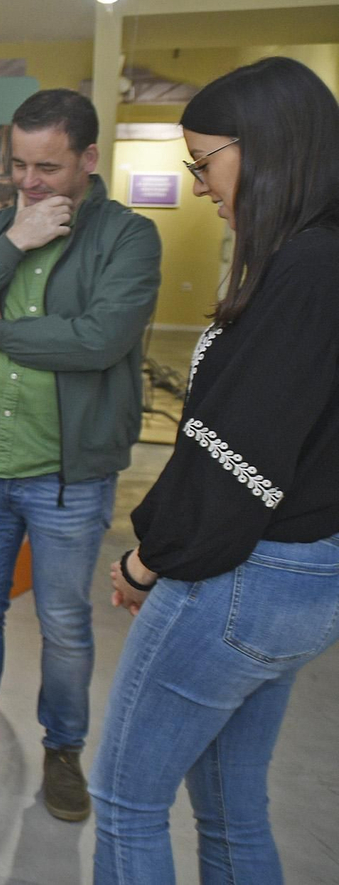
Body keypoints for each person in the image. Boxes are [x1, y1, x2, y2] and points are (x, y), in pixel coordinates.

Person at [92, 57, 339, 884]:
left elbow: (234, 461)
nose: (198, 183)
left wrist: (147, 556)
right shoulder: (317, 256)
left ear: (265, 147)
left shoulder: (305, 268)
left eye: (206, 161)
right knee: (233, 810)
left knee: (127, 803)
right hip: (304, 576)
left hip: (247, 578)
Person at [0, 89, 161, 822]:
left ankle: (63, 752)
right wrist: (15, 240)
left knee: (65, 621)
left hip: (68, 475)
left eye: (47, 166)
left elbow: (98, 340)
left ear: (88, 157)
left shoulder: (128, 238)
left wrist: (2, 332)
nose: (29, 180)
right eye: (18, 163)